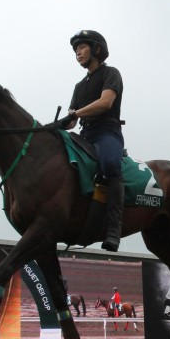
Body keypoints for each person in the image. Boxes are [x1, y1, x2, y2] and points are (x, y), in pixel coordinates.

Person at [55, 30, 125, 252]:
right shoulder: (79, 86)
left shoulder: (111, 73)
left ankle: (114, 230)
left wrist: (75, 114)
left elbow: (105, 103)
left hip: (107, 132)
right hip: (84, 134)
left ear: (96, 49)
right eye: (75, 50)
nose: (78, 52)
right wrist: (58, 125)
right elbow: (71, 122)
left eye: (82, 47)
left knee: (111, 165)